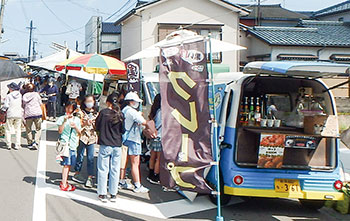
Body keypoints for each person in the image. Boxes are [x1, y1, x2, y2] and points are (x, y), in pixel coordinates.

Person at [95, 93, 125, 202]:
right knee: (115, 170)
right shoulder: (120, 114)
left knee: (103, 169)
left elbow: (96, 126)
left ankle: (102, 194)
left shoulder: (103, 113)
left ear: (108, 102)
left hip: (105, 143)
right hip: (117, 145)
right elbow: (123, 130)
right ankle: (113, 194)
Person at [120, 92, 149, 193]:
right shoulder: (132, 112)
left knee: (124, 161)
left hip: (125, 138)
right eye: (136, 102)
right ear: (131, 102)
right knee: (135, 163)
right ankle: (137, 185)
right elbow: (144, 122)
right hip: (133, 139)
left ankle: (121, 181)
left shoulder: (124, 110)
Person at [73, 95, 98, 188]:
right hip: (82, 136)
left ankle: (90, 177)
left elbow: (97, 127)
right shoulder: (81, 113)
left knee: (90, 158)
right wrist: (85, 123)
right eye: (88, 101)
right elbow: (77, 123)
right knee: (80, 155)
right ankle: (77, 173)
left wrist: (94, 124)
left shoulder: (96, 113)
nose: (90, 103)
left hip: (91, 137)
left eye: (91, 101)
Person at [57, 101, 81, 191]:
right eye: (67, 107)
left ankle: (64, 181)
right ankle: (63, 183)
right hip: (65, 144)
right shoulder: (62, 118)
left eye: (71, 108)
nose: (69, 109)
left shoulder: (77, 120)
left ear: (74, 110)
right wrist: (64, 121)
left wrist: (75, 127)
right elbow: (60, 131)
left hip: (73, 144)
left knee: (69, 164)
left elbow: (79, 133)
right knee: (66, 164)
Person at [147, 94, 162, 184]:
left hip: (154, 136)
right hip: (160, 136)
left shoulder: (154, 111)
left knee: (152, 156)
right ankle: (155, 176)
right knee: (159, 158)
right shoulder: (162, 112)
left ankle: (150, 174)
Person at [3, 83, 23, 150]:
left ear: (11, 88)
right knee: (18, 129)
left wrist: (2, 110)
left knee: (8, 129)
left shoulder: (9, 96)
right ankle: (17, 144)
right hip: (18, 114)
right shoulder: (20, 95)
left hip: (10, 114)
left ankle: (8, 144)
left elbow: (6, 106)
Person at [22, 83, 42, 150]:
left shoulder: (24, 96)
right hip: (37, 113)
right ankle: (36, 142)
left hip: (28, 114)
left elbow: (23, 105)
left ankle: (29, 143)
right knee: (38, 129)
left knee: (28, 129)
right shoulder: (36, 94)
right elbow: (40, 103)